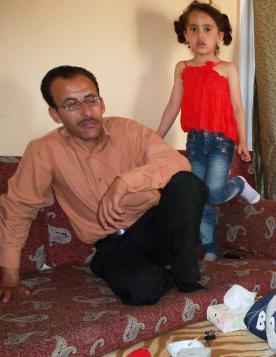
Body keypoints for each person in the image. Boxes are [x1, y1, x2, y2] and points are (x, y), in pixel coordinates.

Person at [0, 65, 208, 306]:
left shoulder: (128, 130)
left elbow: (177, 162)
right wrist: (10, 280)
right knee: (142, 291)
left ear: (102, 103)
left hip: (157, 225)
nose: (86, 111)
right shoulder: (43, 151)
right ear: (55, 114)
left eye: (91, 100)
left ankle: (186, 277)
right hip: (115, 245)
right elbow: (17, 209)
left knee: (187, 183)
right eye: (71, 104)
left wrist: (124, 182)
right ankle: (159, 269)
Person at [157, 1, 260, 263]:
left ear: (219, 36)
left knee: (213, 192)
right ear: (185, 35)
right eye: (193, 29)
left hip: (221, 142)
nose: (200, 35)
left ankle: (238, 184)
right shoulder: (182, 68)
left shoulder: (227, 69)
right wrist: (156, 138)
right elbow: (173, 105)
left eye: (207, 29)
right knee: (198, 195)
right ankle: (210, 246)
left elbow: (237, 108)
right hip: (195, 141)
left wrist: (243, 140)